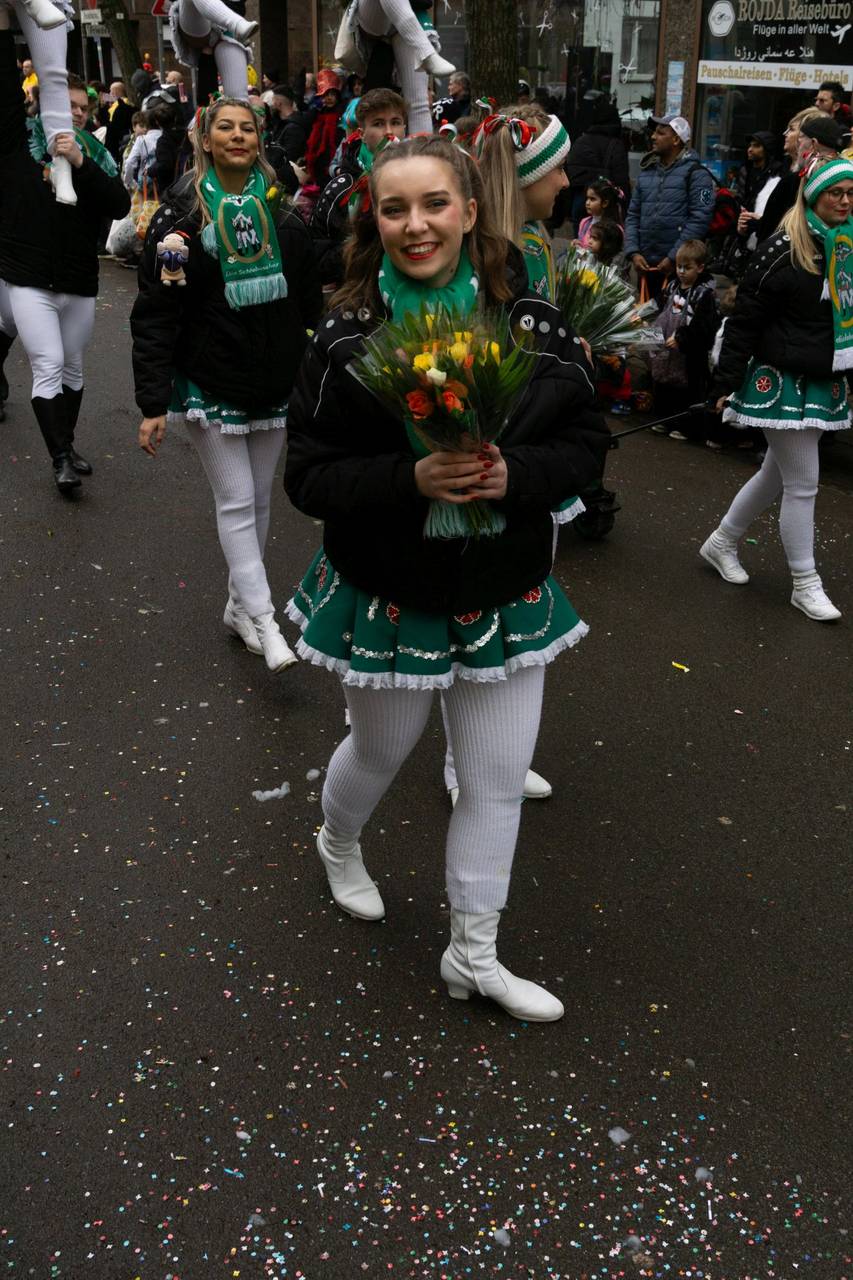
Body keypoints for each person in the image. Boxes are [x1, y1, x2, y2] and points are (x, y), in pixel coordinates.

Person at [283, 134, 608, 1021]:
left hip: (503, 585)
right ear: (375, 221)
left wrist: (516, 476)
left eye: (434, 204)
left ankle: (473, 953)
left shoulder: (531, 320)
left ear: (469, 210)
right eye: (394, 209)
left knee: (496, 780)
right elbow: (307, 477)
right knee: (381, 751)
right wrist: (410, 479)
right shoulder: (344, 337)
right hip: (392, 591)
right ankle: (336, 841)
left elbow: (584, 441)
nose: (415, 224)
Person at [131, 97, 321, 670]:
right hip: (210, 383)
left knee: (259, 500)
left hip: (273, 383)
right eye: (226, 128)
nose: (238, 136)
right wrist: (153, 401)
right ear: (206, 141)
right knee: (237, 500)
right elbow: (157, 313)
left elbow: (307, 305)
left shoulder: (283, 215)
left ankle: (238, 608)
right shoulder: (180, 220)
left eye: (248, 128)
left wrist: (308, 369)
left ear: (259, 141)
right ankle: (264, 617)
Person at [700, 159, 853, 622]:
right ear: (814, 196)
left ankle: (722, 541)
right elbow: (745, 319)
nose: (845, 201)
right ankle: (805, 583)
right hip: (781, 381)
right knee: (803, 483)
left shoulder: (844, 246)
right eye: (836, 193)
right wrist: (725, 382)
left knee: (774, 474)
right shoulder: (782, 249)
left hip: (821, 377)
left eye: (851, 193)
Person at [0, 20, 130, 491]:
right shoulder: (17, 144)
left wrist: (79, 162)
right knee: (49, 363)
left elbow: (119, 205)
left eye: (81, 108)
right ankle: (60, 460)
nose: (74, 114)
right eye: (66, 105)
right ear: (43, 104)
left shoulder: (95, 155)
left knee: (72, 367)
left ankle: (67, 445)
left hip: (78, 279)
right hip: (28, 276)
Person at [309, 86, 407, 287]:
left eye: (396, 122)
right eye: (378, 124)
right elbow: (317, 257)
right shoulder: (343, 189)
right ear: (361, 133)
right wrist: (366, 244)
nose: (389, 132)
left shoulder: (422, 179)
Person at [624, 114, 714, 302]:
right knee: (645, 316)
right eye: (654, 132)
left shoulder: (697, 174)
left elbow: (700, 219)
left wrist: (674, 258)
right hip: (646, 268)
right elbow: (632, 215)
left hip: (679, 271)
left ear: (676, 140)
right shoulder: (646, 173)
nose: (653, 137)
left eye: (660, 133)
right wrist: (633, 252)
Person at [335, 0, 453, 136]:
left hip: (410, 19)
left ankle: (422, 150)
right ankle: (426, 52)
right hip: (375, 14)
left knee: (418, 103)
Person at [648, 239, 718, 440]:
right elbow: (659, 307)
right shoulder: (672, 286)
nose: (681, 271)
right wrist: (642, 317)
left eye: (687, 268)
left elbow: (704, 327)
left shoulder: (704, 294)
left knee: (686, 389)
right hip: (667, 347)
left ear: (700, 267)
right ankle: (663, 419)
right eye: (679, 266)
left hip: (688, 354)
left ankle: (686, 427)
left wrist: (682, 337)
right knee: (663, 382)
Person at [168, 0, 257, 100]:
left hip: (226, 35)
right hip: (200, 25)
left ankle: (236, 24)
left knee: (239, 99)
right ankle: (236, 23)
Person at [564, 96, 630, 229]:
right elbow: (621, 178)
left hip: (579, 200)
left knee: (582, 237)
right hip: (604, 205)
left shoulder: (580, 141)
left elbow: (569, 170)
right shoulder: (616, 145)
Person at [574, 177, 622, 249]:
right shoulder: (584, 222)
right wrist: (577, 245)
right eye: (587, 198)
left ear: (605, 203)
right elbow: (581, 244)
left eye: (592, 199)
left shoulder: (614, 230)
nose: (587, 203)